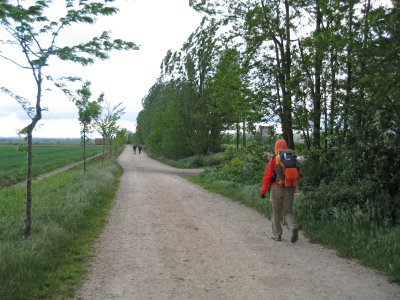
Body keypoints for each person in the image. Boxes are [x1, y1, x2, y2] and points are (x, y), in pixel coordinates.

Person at [260, 139, 299, 243]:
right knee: (288, 211)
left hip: (276, 187)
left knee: (275, 212)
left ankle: (277, 235)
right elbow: (297, 173)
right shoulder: (293, 158)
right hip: (290, 187)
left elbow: (267, 176)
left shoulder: (274, 159)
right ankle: (293, 226)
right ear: (286, 146)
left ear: (276, 147)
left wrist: (263, 191)